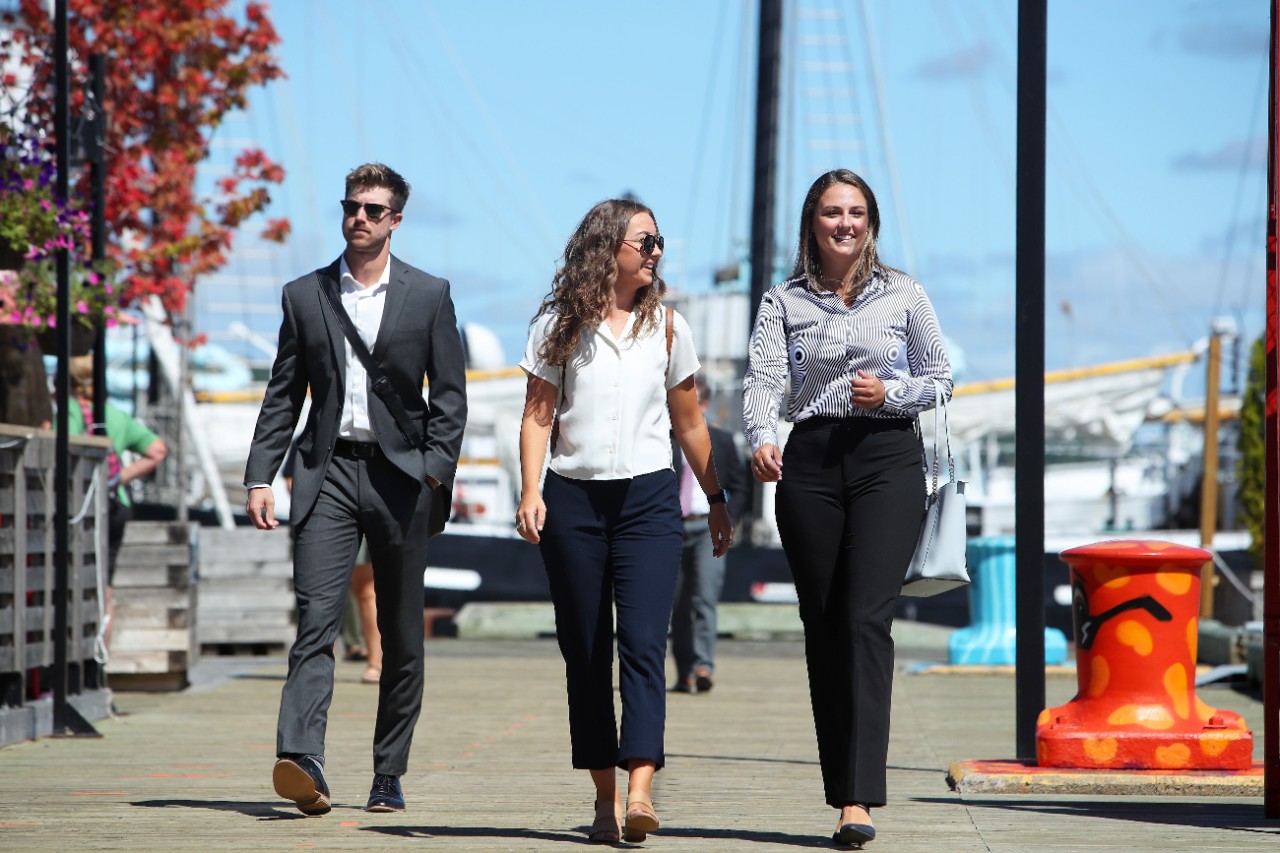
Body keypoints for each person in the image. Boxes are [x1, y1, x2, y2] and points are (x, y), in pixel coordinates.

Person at [244, 163, 467, 817]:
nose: (360, 218)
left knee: (401, 633)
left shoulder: (429, 295)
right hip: (327, 473)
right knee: (315, 619)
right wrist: (261, 472)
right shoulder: (304, 295)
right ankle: (301, 758)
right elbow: (283, 394)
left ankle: (387, 772)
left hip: (403, 478)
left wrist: (434, 470)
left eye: (374, 209)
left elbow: (450, 397)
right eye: (352, 207)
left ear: (396, 219)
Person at [742, 169, 952, 848]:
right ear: (813, 221)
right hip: (810, 464)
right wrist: (762, 436)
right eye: (832, 212)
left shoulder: (905, 294)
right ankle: (842, 782)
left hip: (887, 459)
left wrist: (887, 393)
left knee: (866, 619)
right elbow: (765, 378)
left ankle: (857, 800)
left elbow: (941, 378)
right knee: (825, 623)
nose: (845, 223)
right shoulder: (783, 300)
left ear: (872, 222)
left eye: (856, 212)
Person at [515, 198, 733, 844]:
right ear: (607, 248)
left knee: (643, 642)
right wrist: (531, 489)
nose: (656, 251)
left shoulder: (668, 327)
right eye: (645, 241)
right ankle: (605, 797)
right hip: (573, 502)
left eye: (659, 241)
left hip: (648, 501)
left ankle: (641, 787)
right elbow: (537, 415)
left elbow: (690, 423)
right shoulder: (558, 324)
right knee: (585, 650)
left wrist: (717, 499)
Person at [66, 354, 168, 649]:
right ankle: (101, 666)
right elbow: (158, 450)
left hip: (82, 507)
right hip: (117, 504)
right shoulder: (114, 415)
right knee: (104, 587)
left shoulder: (70, 411)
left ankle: (78, 662)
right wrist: (117, 479)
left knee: (73, 585)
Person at [669, 375, 748, 695]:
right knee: (675, 603)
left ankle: (704, 665)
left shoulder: (724, 442)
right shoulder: (664, 440)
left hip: (707, 528)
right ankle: (685, 671)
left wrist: (729, 518)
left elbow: (742, 487)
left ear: (703, 403)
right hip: (671, 527)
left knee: (704, 598)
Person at [282, 440, 382, 684]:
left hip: (366, 508)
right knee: (324, 592)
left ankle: (376, 663)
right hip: (326, 516)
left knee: (366, 591)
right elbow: (291, 479)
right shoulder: (308, 438)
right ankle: (323, 662)